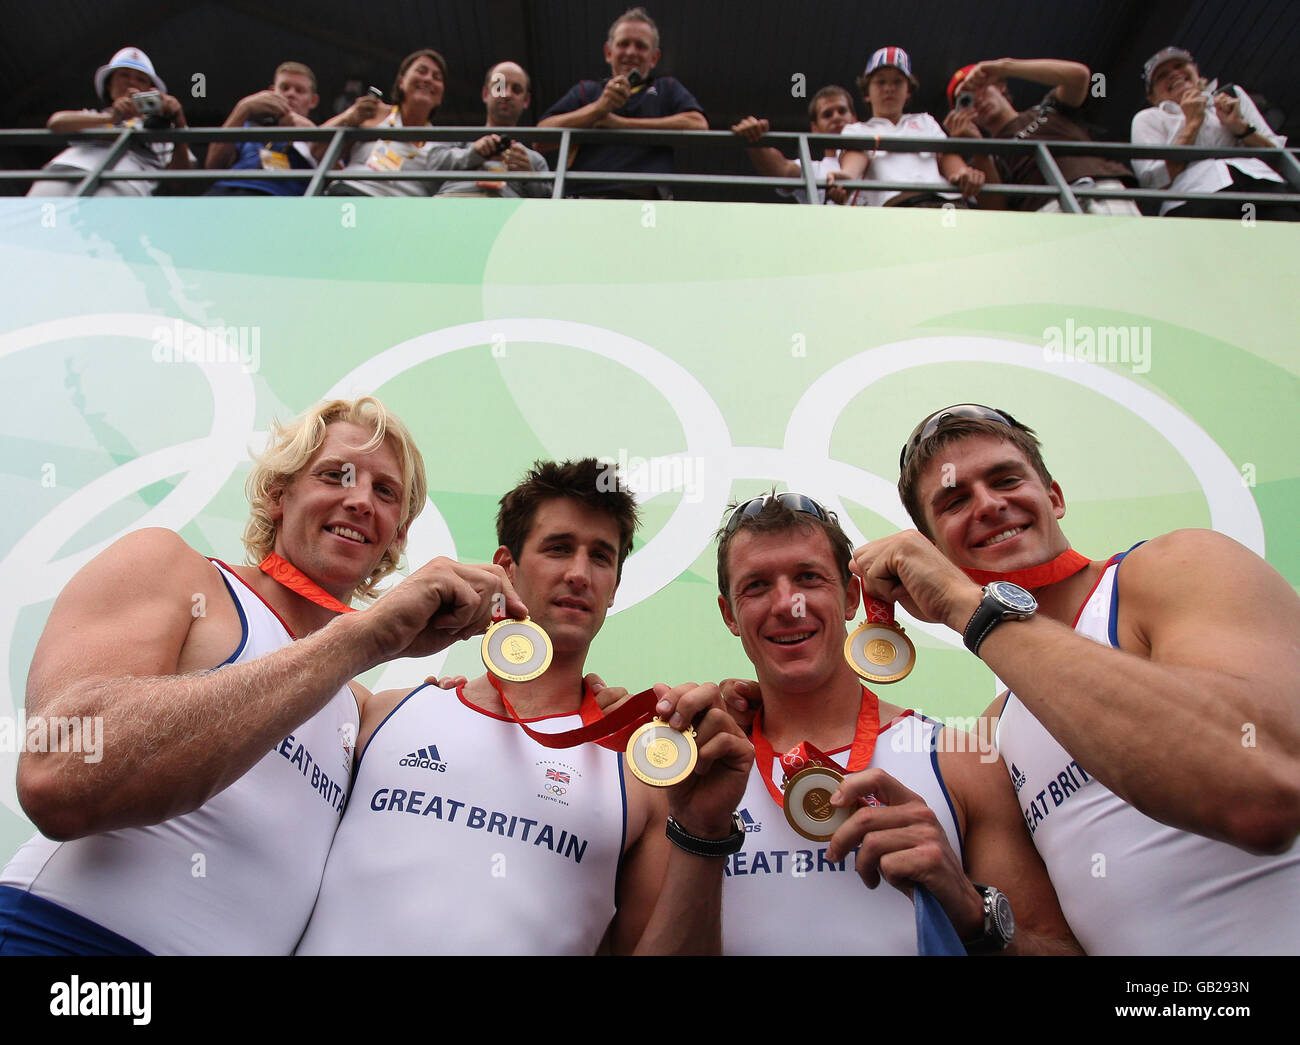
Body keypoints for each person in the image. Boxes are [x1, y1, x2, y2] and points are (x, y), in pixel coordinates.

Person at [0, 397, 527, 955]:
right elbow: (58, 771)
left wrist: (603, 721)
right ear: (278, 495)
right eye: (335, 475)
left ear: (397, 537)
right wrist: (363, 637)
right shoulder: (179, 573)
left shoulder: (358, 703)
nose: (359, 501)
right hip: (64, 945)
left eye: (385, 492)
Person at [849, 404, 1300, 954]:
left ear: (1054, 497)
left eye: (1005, 479)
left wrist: (972, 607)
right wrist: (973, 914)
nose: (989, 505)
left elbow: (1263, 797)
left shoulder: (1175, 568)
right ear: (935, 550)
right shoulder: (995, 732)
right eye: (955, 500)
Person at [296, 459, 752, 955]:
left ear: (615, 587)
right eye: (558, 549)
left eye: (601, 557)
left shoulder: (641, 777)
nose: (579, 574)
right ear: (506, 567)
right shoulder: (380, 716)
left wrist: (705, 835)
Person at [707, 493, 1078, 954]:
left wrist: (968, 906)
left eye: (808, 577)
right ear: (730, 615)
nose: (789, 605)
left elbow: (1058, 946)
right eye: (757, 586)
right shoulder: (704, 771)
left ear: (850, 597)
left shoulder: (959, 761)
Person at [539, 6, 706, 199]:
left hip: (647, 206)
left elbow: (698, 125)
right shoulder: (587, 90)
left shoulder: (667, 87)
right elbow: (541, 138)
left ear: (654, 58)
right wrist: (598, 108)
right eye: (623, 44)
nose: (631, 52)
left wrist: (621, 125)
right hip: (584, 201)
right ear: (608, 52)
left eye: (641, 46)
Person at [944, 57, 1139, 215]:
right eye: (966, 100)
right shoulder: (985, 158)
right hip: (1045, 212)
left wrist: (1004, 67)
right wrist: (978, 147)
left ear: (1000, 85)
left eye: (981, 88)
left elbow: (1079, 76)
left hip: (1098, 187)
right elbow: (997, 210)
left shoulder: (1048, 109)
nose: (977, 100)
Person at [1131, 47, 1297, 220]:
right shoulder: (1149, 118)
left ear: (1196, 72)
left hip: (1262, 186)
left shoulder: (1232, 96)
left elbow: (1278, 158)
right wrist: (1192, 124)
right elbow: (1152, 180)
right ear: (1152, 97)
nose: (1174, 74)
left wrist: (1241, 128)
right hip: (1195, 198)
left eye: (1180, 65)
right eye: (1162, 76)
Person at [28, 46, 193, 198]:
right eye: (124, 75)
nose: (131, 82)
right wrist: (111, 118)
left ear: (151, 91)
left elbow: (179, 183)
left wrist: (178, 122)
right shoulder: (94, 117)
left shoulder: (162, 129)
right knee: (34, 224)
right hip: (65, 171)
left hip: (125, 183)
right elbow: (56, 122)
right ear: (109, 84)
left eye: (141, 79)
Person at [832, 47, 983, 208]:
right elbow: (852, 165)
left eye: (898, 81)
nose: (889, 88)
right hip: (899, 210)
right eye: (880, 82)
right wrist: (846, 179)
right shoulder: (857, 130)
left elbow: (947, 158)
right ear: (867, 92)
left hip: (945, 205)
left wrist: (964, 174)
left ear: (908, 91)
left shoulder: (926, 121)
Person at [322, 49, 449, 197]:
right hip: (352, 199)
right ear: (401, 81)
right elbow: (316, 149)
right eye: (421, 71)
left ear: (440, 97)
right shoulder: (373, 112)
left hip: (402, 215)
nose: (428, 79)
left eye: (437, 77)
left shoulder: (441, 147)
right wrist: (349, 118)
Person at [431, 61, 552, 199]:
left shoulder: (534, 160)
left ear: (526, 100)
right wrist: (473, 154)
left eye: (516, 89)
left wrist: (529, 177)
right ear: (485, 94)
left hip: (508, 215)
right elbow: (432, 163)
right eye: (499, 86)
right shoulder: (459, 138)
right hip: (453, 205)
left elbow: (548, 203)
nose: (507, 94)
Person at [205, 61, 320, 196]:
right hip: (225, 193)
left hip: (279, 202)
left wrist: (311, 131)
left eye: (299, 90)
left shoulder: (321, 136)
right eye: (284, 88)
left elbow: (337, 176)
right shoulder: (248, 127)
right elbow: (213, 165)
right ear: (272, 91)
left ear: (313, 101)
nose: (291, 94)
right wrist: (242, 110)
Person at [730, 85, 856, 205]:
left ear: (855, 119)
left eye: (842, 111)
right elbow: (782, 169)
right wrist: (754, 138)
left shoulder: (875, 157)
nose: (836, 117)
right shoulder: (814, 169)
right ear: (815, 128)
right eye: (827, 114)